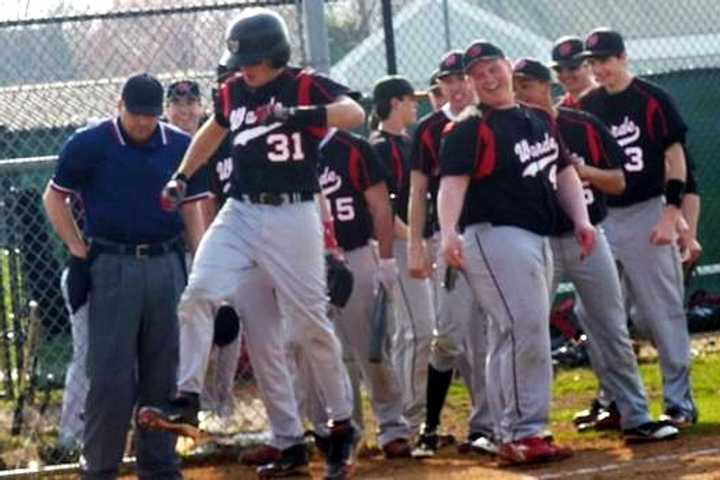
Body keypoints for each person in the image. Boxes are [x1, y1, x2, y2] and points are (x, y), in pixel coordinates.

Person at [136, 9, 365, 479]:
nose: (246, 70)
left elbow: (355, 113)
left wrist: (303, 115)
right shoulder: (233, 90)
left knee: (309, 326)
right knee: (201, 294)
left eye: (254, 61)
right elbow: (214, 128)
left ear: (276, 55)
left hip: (293, 214)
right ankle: (190, 399)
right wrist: (181, 176)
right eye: (241, 62)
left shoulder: (303, 84)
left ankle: (342, 427)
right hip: (240, 211)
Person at [43, 72, 209, 479]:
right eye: (135, 114)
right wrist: (78, 249)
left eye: (150, 115)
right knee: (111, 376)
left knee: (163, 371)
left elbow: (192, 210)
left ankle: (160, 465)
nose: (142, 123)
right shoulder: (90, 143)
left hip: (166, 263)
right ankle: (100, 467)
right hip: (112, 264)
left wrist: (199, 269)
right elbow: (54, 197)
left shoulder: (180, 146)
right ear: (119, 106)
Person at [437, 40, 595, 465]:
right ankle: (519, 431)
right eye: (478, 74)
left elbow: (562, 170)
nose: (488, 78)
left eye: (493, 68)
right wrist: (449, 232)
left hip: (536, 235)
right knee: (521, 328)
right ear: (470, 83)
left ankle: (517, 428)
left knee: (518, 331)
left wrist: (580, 220)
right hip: (494, 235)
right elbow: (451, 184)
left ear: (508, 67)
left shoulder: (537, 118)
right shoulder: (469, 127)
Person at [512, 57, 679, 442]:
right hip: (538, 240)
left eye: (528, 84)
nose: (522, 93)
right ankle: (528, 428)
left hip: (589, 235)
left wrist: (582, 172)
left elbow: (619, 181)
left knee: (611, 326)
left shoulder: (583, 125)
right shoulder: (512, 131)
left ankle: (635, 415)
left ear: (547, 87)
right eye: (516, 85)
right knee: (530, 331)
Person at [578, 28, 698, 428]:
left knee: (659, 313)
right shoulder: (588, 105)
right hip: (603, 216)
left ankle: (680, 401)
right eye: (593, 63)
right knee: (592, 311)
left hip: (647, 210)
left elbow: (676, 160)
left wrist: (671, 213)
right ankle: (615, 399)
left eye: (605, 60)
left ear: (623, 57)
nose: (599, 69)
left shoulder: (652, 99)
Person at [406, 50, 493, 458]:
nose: (456, 88)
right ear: (438, 86)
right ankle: (432, 423)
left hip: (495, 232)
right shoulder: (428, 129)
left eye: (462, 78)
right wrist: (415, 246)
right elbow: (417, 192)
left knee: (493, 333)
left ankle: (488, 424)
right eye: (448, 80)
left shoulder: (492, 120)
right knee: (450, 336)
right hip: (449, 239)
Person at [368, 75, 434, 437]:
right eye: (410, 100)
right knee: (417, 332)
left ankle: (414, 414)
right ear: (394, 103)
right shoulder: (379, 146)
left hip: (415, 243)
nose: (416, 106)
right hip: (396, 246)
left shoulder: (409, 142)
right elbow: (383, 210)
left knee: (415, 332)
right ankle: (409, 420)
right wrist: (416, 242)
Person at [549, 36, 597, 109]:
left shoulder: (608, 100)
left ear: (588, 66)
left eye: (572, 68)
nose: (565, 75)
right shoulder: (560, 111)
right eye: (558, 70)